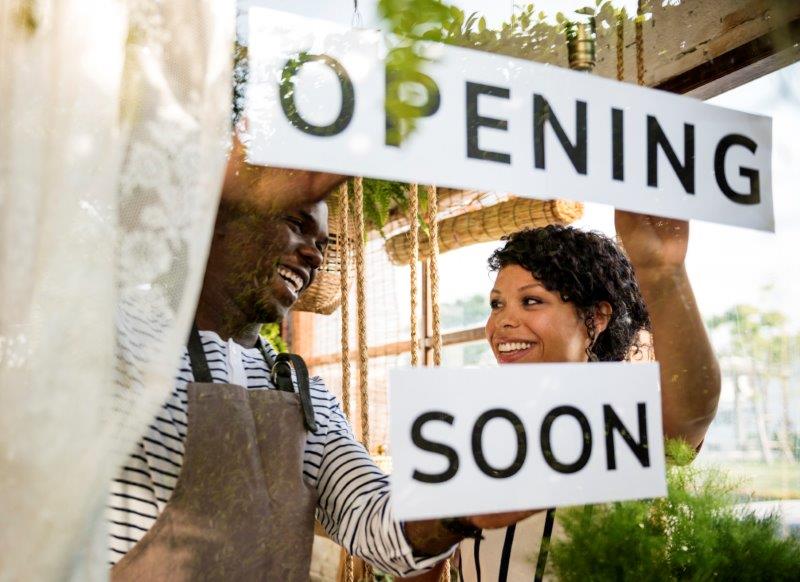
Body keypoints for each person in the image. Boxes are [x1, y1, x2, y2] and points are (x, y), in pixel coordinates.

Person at [441, 211, 721, 581]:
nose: (502, 323)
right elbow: (425, 557)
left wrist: (662, 275)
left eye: (532, 301)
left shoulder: (618, 415)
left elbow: (691, 414)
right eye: (496, 304)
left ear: (597, 317)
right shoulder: (465, 421)